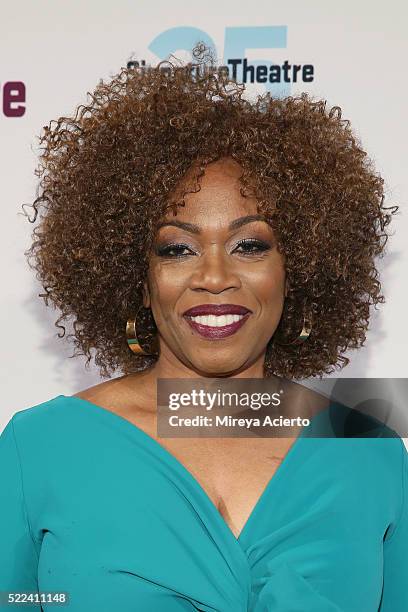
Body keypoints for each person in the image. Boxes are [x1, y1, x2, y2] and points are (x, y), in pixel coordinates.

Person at [0, 43, 406, 611]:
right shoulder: (37, 448)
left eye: (250, 244)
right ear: (138, 280)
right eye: (177, 248)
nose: (214, 277)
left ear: (300, 270)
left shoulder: (370, 452)